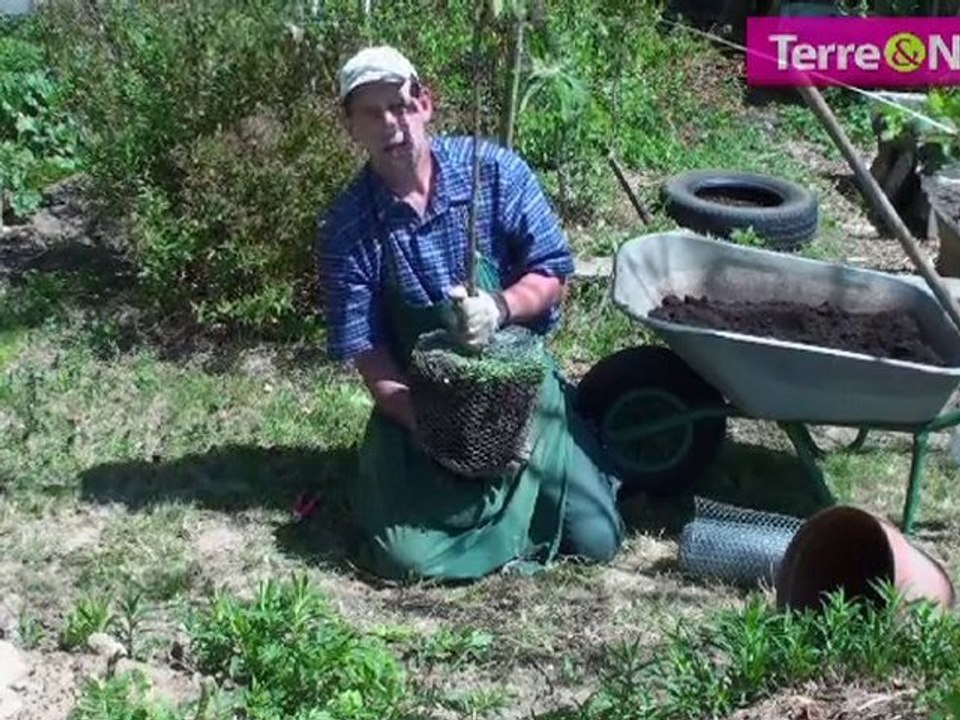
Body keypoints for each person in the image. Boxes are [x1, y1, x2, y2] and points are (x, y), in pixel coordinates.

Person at [316, 45, 624, 582]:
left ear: (426, 105)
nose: (392, 124)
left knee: (597, 539)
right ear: (351, 127)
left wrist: (501, 307)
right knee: (403, 558)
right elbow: (371, 357)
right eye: (372, 112)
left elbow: (554, 274)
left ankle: (571, 431)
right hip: (421, 409)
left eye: (401, 105)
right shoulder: (348, 228)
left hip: (521, 393)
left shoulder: (495, 172)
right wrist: (436, 432)